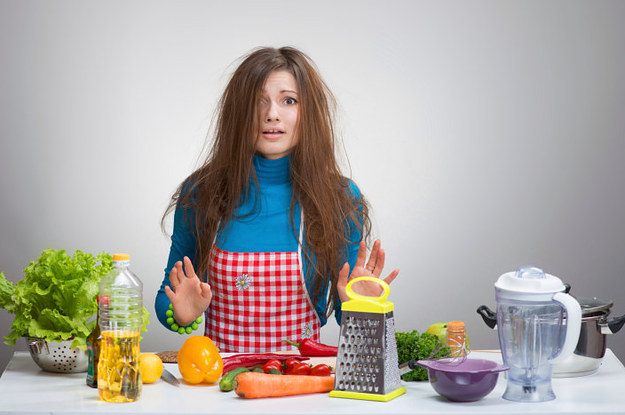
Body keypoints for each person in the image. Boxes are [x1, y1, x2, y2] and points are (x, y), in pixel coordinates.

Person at [155, 46, 399, 352]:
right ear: (238, 112)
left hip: (305, 384)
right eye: (258, 101)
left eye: (289, 100)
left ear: (308, 112)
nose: (272, 113)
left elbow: (344, 313)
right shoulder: (202, 193)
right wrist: (180, 312)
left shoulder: (338, 198)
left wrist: (362, 305)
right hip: (220, 385)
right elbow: (167, 295)